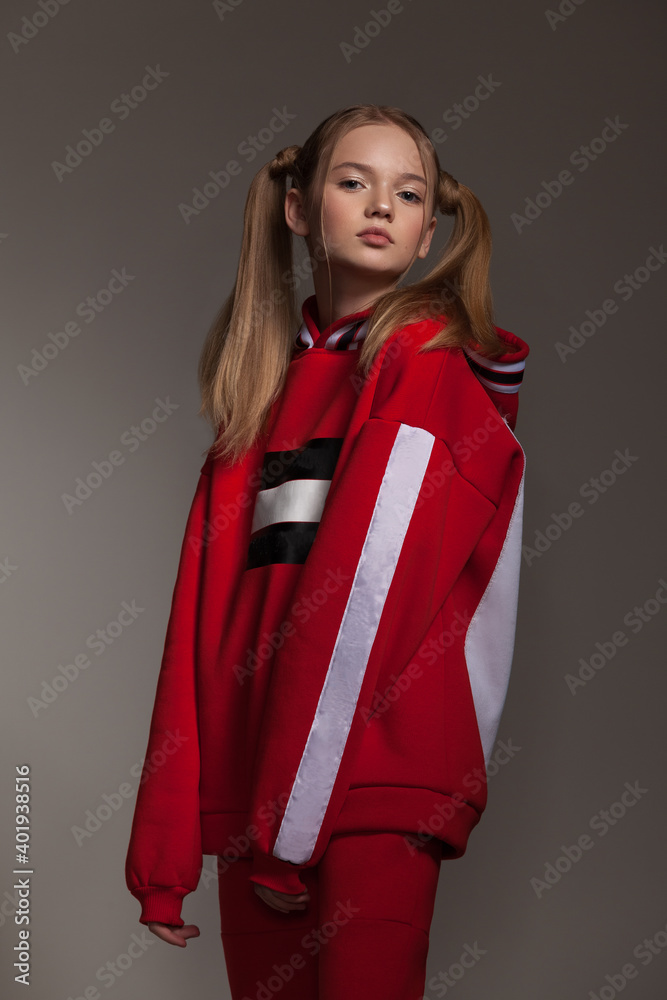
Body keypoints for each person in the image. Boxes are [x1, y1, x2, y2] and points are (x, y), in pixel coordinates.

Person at [124, 103, 529, 999]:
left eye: (408, 192)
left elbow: (362, 602)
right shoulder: (259, 397)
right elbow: (197, 632)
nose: (382, 206)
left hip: (365, 795)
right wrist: (165, 848)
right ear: (299, 208)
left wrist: (289, 824)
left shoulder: (426, 367)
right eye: (354, 182)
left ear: (431, 232)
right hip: (257, 805)